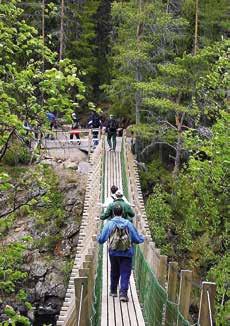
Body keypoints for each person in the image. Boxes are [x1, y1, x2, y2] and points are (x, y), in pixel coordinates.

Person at [97, 204, 144, 301]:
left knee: (114, 270)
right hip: (127, 253)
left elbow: (101, 240)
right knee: (125, 272)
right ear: (122, 212)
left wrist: (97, 237)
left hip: (113, 252)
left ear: (113, 213)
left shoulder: (109, 224)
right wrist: (143, 238)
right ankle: (123, 293)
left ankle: (113, 290)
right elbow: (136, 239)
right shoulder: (128, 224)